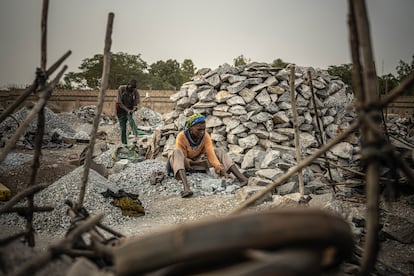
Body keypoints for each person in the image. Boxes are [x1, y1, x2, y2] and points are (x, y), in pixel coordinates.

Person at [167, 113, 248, 198]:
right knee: (176, 152)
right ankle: (186, 188)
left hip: (196, 164)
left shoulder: (205, 136)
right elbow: (183, 159)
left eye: (204, 129)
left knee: (219, 151)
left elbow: (211, 155)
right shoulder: (181, 137)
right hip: (182, 166)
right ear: (191, 128)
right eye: (199, 129)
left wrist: (220, 169)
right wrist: (196, 163)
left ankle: (242, 178)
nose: (202, 132)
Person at [116, 79, 140, 146]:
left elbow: (136, 102)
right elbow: (119, 102)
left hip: (129, 109)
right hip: (121, 110)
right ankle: (124, 143)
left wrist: (134, 108)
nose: (131, 90)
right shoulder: (121, 89)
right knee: (123, 128)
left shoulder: (135, 92)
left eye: (133, 89)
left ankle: (136, 136)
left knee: (131, 121)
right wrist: (127, 110)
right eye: (131, 88)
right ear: (128, 85)